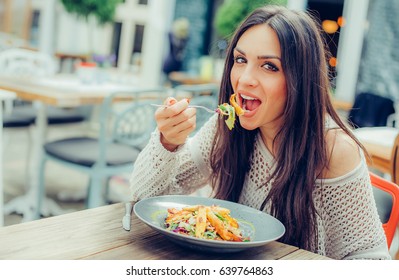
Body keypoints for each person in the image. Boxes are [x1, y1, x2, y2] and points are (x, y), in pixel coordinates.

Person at [130, 5, 390, 259]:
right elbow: (144, 199)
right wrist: (167, 143)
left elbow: (371, 262)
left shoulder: (333, 150)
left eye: (269, 66)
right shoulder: (226, 127)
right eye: (240, 60)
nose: (244, 79)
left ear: (300, 79)